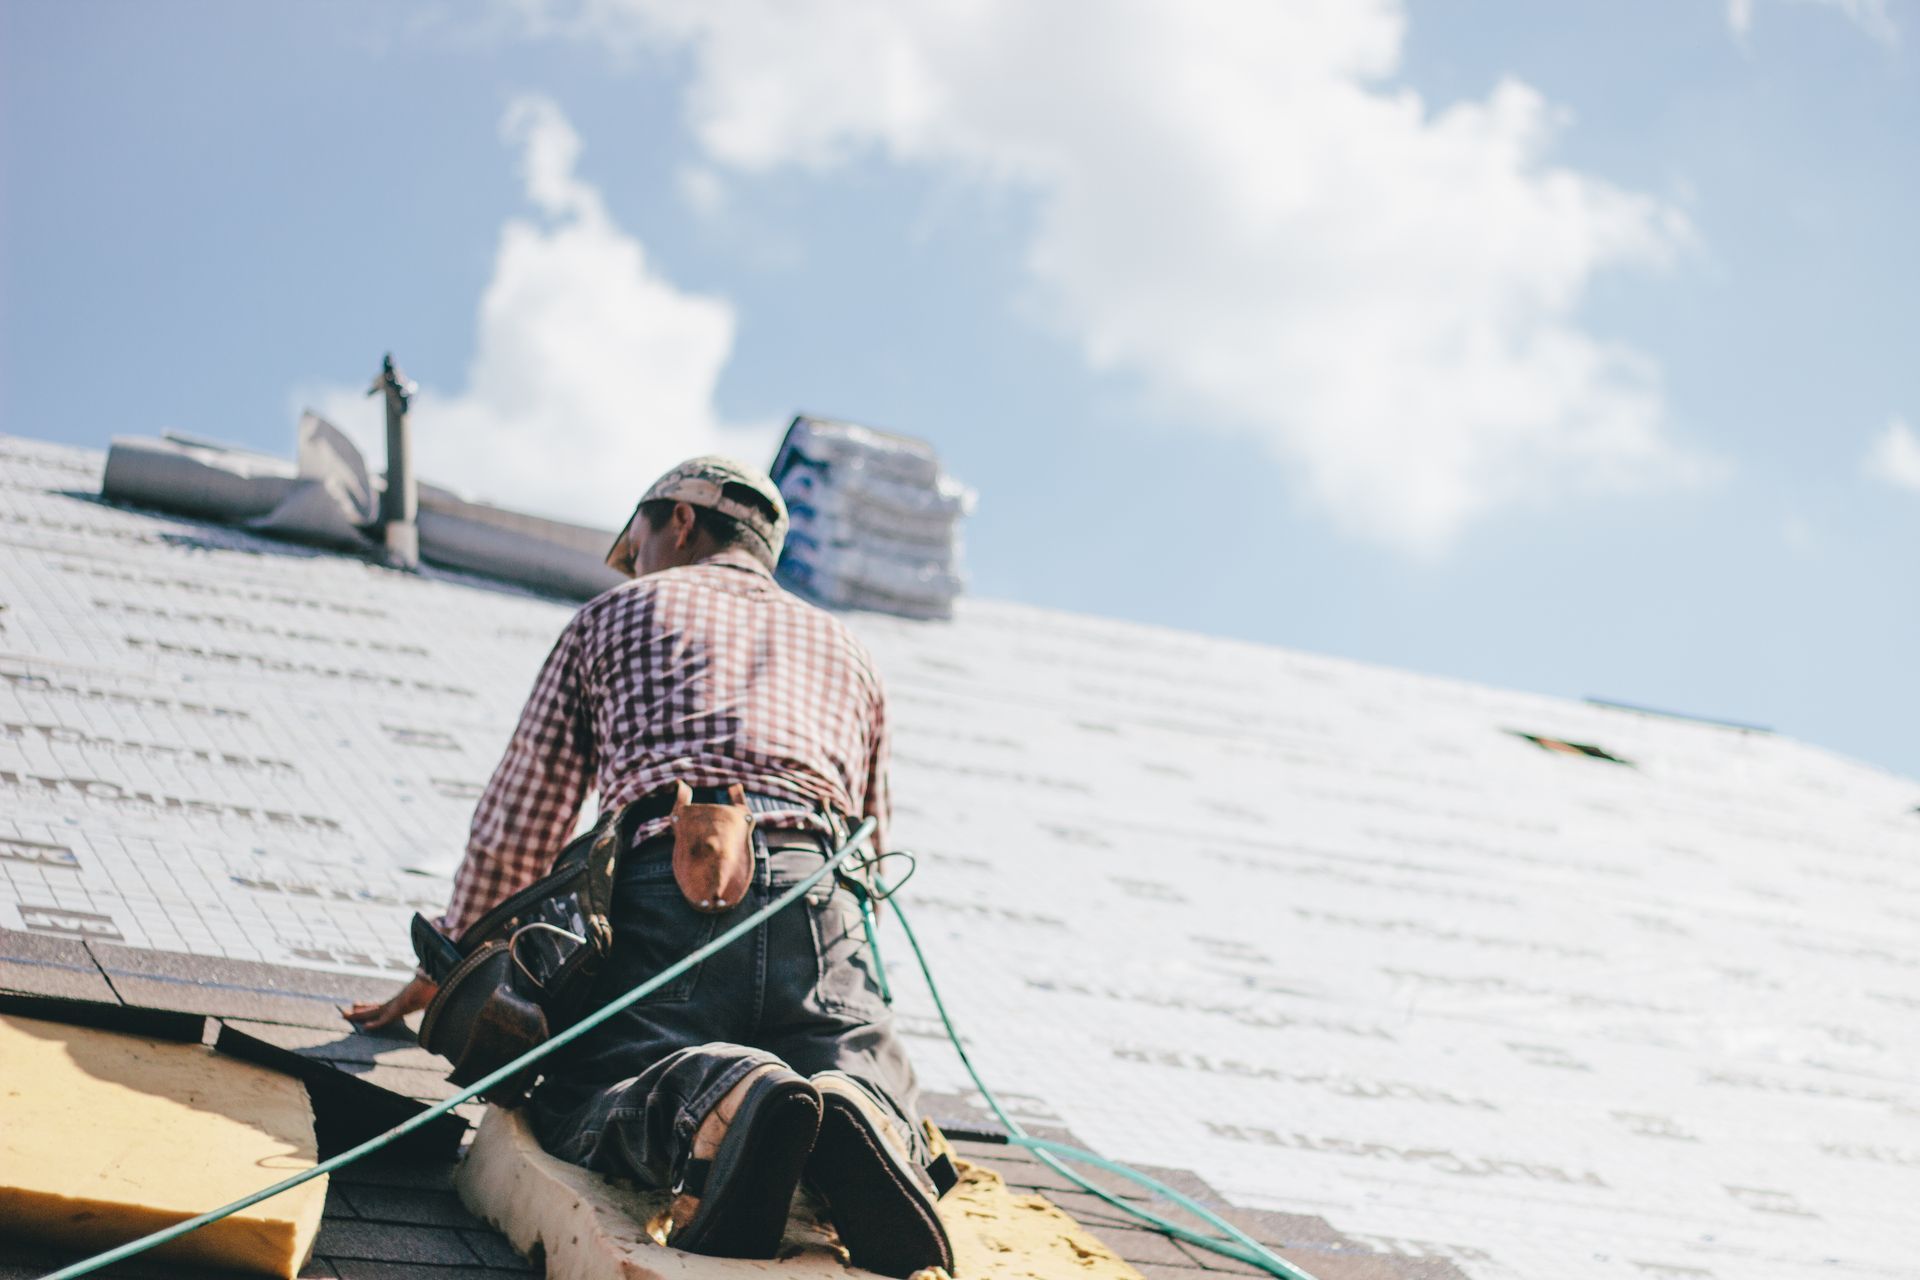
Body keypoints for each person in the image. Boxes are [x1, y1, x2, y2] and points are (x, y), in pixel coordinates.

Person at [346, 457, 951, 1276]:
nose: (634, 560)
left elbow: (522, 818)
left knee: (586, 1086)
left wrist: (453, 960)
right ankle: (858, 1110)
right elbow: (874, 843)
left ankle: (724, 1099)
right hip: (821, 894)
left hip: (669, 882)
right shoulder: (848, 648)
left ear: (678, 523)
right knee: (849, 1059)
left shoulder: (618, 613)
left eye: (635, 542)